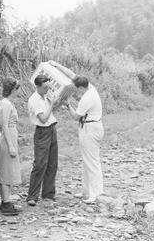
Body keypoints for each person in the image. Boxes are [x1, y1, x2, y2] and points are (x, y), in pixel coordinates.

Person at [65, 75, 104, 204]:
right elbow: (72, 75)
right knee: (86, 161)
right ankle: (86, 190)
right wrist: (55, 65)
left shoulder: (87, 98)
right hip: (91, 126)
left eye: (77, 89)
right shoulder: (90, 87)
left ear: (82, 87)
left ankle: (96, 194)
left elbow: (76, 116)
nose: (76, 92)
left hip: (90, 128)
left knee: (92, 162)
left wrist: (68, 105)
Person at [26, 74, 62, 206]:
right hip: (42, 131)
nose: (48, 89)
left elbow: (51, 113)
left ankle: (48, 193)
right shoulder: (34, 99)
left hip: (52, 128)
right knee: (40, 163)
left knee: (52, 162)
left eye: (48, 86)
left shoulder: (45, 96)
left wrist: (57, 103)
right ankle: (32, 195)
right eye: (45, 87)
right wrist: (52, 104)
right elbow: (43, 118)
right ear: (38, 87)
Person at [0, 78, 22, 215]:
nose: (18, 92)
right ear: (12, 90)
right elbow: (4, 124)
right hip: (7, 139)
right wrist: (11, 145)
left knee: (9, 170)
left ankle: (7, 201)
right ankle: (5, 203)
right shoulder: (5, 104)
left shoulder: (8, 103)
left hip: (11, 136)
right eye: (17, 89)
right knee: (6, 171)